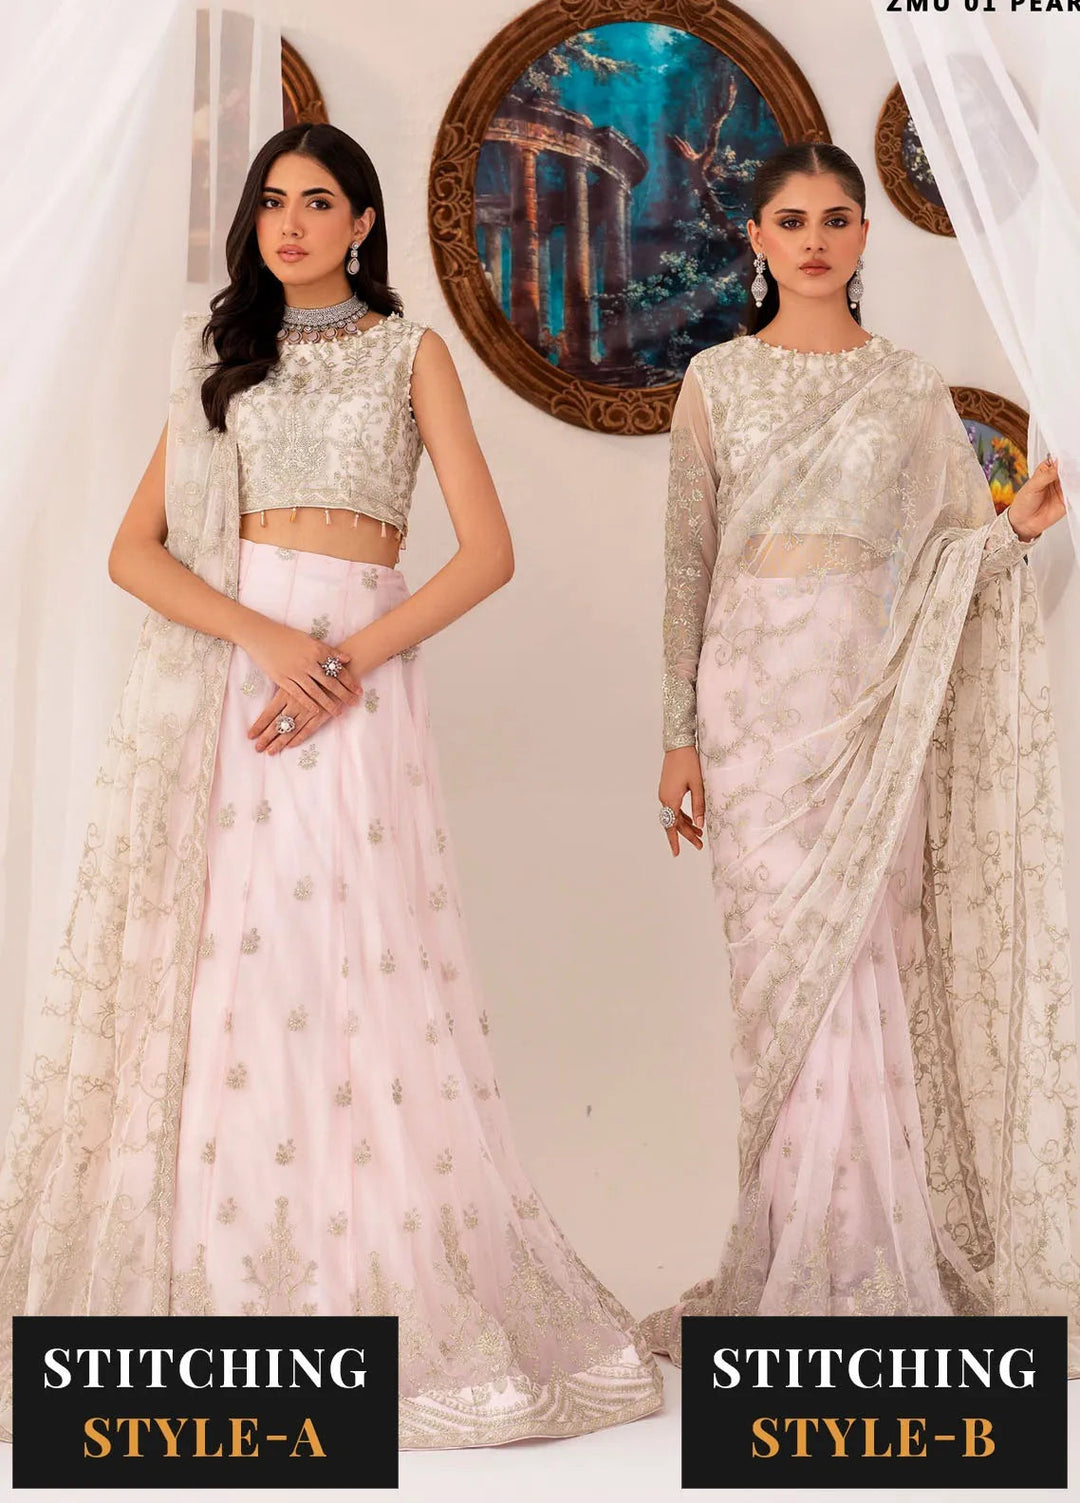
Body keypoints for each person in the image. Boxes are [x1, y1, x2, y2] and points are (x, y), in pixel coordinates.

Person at [0, 123, 663, 1447]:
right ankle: (228, 1287)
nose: (290, 223)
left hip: (358, 684)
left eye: (317, 201)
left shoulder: (411, 354)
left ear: (363, 222)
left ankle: (364, 1284)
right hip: (234, 685)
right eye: (271, 202)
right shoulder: (220, 365)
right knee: (225, 967)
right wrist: (266, 642)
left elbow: (487, 552)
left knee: (352, 960)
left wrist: (344, 662)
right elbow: (137, 552)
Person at [643, 141, 1080, 1373]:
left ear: (863, 238)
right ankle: (795, 1255)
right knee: (779, 979)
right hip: (750, 700)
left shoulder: (906, 388)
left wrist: (1013, 530)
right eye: (792, 221)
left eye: (838, 219)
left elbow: (948, 557)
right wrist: (677, 734)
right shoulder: (717, 381)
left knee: (861, 960)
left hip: (868, 695)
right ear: (757, 239)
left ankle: (871, 1259)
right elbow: (686, 566)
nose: (816, 240)